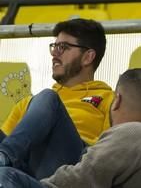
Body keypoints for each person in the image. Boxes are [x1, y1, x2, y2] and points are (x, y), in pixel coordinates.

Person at [0, 68, 141, 188]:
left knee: (6, 176)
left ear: (116, 100)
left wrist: (27, 181)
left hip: (63, 179)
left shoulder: (134, 133)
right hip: (60, 173)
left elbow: (84, 178)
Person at [0, 19, 113, 180]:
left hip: (71, 170)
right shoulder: (30, 104)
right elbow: (8, 139)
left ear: (88, 57)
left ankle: (4, 157)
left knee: (48, 98)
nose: (54, 53)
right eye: (54, 47)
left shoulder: (109, 99)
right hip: (23, 170)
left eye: (63, 47)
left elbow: (113, 151)